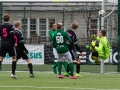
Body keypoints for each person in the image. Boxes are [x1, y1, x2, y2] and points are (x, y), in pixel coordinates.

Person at [0, 13, 17, 79]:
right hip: (9, 44)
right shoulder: (11, 26)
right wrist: (14, 42)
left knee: (1, 58)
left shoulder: (1, 26)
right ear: (9, 19)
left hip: (3, 43)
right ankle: (13, 74)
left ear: (3, 19)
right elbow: (12, 35)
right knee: (14, 58)